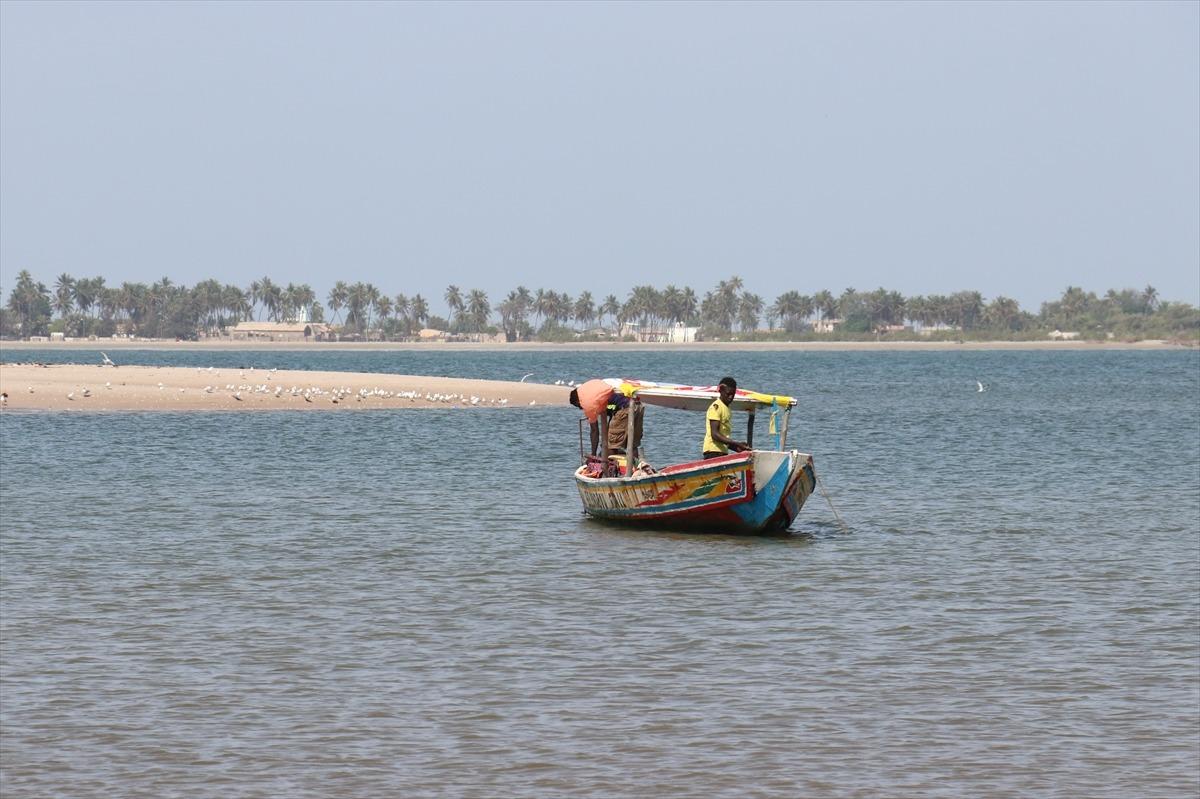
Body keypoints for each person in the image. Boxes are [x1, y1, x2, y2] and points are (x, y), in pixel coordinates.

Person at [569, 378, 643, 459]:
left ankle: (608, 468)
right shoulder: (588, 387)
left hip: (625, 408)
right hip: (637, 405)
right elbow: (609, 404)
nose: (581, 408)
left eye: (578, 406)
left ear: (578, 401)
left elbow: (594, 431)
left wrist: (593, 455)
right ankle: (634, 468)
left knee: (610, 445)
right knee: (632, 443)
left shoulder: (586, 402)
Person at [703, 376, 749, 458]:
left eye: (733, 394)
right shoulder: (716, 407)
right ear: (721, 391)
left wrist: (738, 448)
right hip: (713, 452)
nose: (730, 397)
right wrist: (735, 443)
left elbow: (724, 438)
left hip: (722, 452)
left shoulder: (727, 409)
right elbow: (715, 434)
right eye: (728, 394)